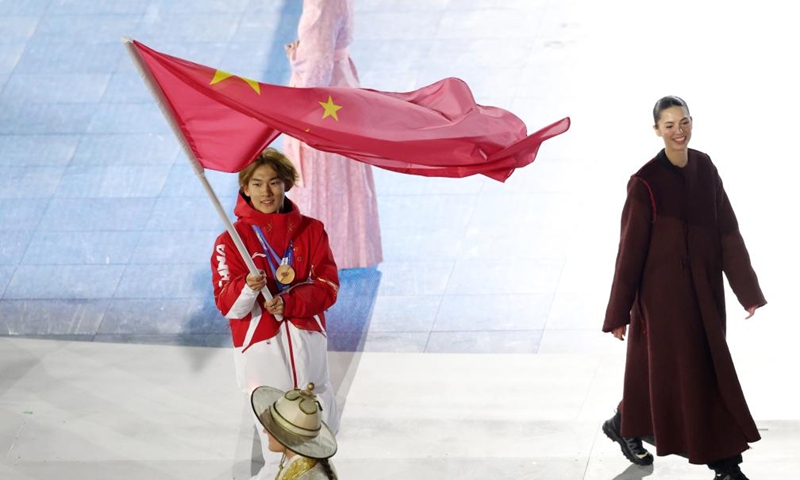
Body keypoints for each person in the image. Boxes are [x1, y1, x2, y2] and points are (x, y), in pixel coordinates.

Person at [601, 96, 766, 480]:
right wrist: (619, 312)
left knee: (672, 374)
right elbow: (629, 253)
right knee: (700, 375)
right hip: (662, 301)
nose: (679, 131)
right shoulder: (644, 183)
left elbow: (727, 230)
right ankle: (725, 465)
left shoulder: (705, 168)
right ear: (657, 130)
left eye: (685, 122)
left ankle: (623, 422)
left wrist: (747, 289)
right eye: (670, 125)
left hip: (705, 294)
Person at [210, 148, 340, 479]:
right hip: (263, 353)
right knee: (277, 455)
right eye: (257, 183)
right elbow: (228, 306)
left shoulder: (312, 230)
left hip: (308, 349)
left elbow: (328, 287)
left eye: (274, 182)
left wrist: (290, 302)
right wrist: (248, 287)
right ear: (245, 188)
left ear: (286, 184)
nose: (266, 192)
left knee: (317, 449)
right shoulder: (231, 241)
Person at [283, 0, 383, 269]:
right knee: (342, 174)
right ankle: (350, 248)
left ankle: (323, 251)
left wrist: (296, 58)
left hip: (324, 104)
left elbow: (316, 72)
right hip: (342, 91)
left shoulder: (321, 4)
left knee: (321, 174)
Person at [251, 382, 338, 480]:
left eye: (272, 428)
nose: (264, 431)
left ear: (286, 435)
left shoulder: (304, 476)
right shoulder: (310, 464)